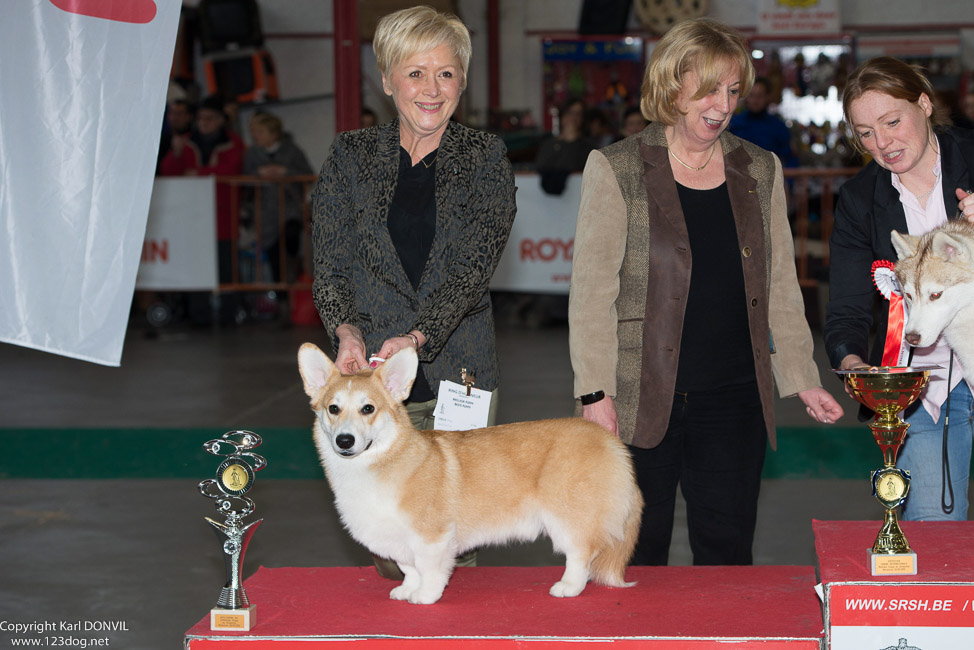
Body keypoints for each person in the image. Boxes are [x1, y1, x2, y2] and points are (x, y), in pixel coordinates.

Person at [569, 18, 843, 567]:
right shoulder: (617, 167)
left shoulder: (758, 168)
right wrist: (595, 395)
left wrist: (801, 376)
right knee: (630, 558)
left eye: (733, 90)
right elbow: (592, 293)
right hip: (637, 395)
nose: (722, 103)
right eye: (708, 87)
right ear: (673, 86)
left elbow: (780, 285)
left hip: (735, 397)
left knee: (726, 555)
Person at [311, 6, 516, 575]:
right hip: (371, 383)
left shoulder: (486, 159)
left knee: (457, 537)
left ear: (463, 82)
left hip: (459, 371)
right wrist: (346, 329)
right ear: (386, 80)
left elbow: (473, 268)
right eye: (416, 73)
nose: (431, 89)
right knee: (390, 546)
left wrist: (418, 336)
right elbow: (329, 262)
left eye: (446, 73)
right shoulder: (350, 157)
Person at [824, 56, 974, 522]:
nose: (882, 143)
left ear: (925, 104)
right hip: (925, 388)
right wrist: (856, 366)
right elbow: (847, 307)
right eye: (865, 133)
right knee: (935, 526)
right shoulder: (858, 200)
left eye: (892, 121)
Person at [159, 95, 246, 324]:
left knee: (226, 269)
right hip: (193, 217)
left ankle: (229, 316)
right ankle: (199, 316)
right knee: (196, 268)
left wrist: (198, 174)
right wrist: (176, 154)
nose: (204, 123)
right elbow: (169, 171)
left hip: (223, 216)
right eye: (201, 118)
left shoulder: (234, 142)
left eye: (209, 118)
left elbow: (232, 169)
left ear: (220, 120)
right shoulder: (185, 143)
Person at [243, 111, 313, 283]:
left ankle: (293, 268)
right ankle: (282, 300)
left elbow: (308, 174)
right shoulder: (253, 153)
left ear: (274, 133)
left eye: (260, 132)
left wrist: (285, 172)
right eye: (254, 132)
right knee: (274, 255)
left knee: (291, 236)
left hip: (290, 208)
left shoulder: (292, 151)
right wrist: (258, 174)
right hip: (265, 212)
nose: (255, 136)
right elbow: (244, 178)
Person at [729, 76, 799, 167]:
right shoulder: (733, 124)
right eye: (752, 96)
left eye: (759, 96)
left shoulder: (778, 127)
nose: (755, 101)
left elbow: (790, 159)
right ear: (746, 97)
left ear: (768, 97)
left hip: (770, 178)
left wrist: (788, 180)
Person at [535, 97, 593, 195]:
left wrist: (571, 143)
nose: (573, 118)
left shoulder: (589, 147)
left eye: (578, 114)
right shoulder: (548, 144)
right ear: (562, 116)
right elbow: (541, 167)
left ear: (583, 119)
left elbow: (575, 167)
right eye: (569, 113)